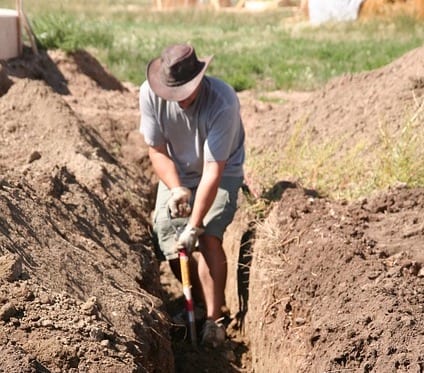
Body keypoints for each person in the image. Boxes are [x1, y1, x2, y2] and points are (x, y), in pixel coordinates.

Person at [139, 43, 245, 347]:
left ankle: (215, 319)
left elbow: (213, 172)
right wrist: (176, 188)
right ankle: (198, 302)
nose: (180, 101)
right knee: (168, 234)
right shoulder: (149, 94)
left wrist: (194, 225)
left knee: (209, 235)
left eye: (186, 92)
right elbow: (156, 150)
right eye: (174, 94)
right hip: (179, 173)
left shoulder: (222, 102)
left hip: (222, 172)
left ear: (199, 80)